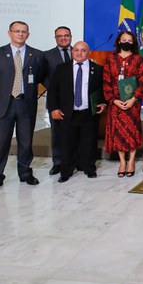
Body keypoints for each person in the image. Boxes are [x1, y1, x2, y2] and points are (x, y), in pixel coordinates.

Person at [0, 21, 47, 193]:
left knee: (26, 142)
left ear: (28, 35)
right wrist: (4, 92)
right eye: (17, 31)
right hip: (5, 104)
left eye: (23, 32)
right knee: (1, 142)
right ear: (9, 33)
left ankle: (25, 173)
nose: (20, 34)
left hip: (26, 104)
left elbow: (41, 76)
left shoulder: (37, 55)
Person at [46, 41, 106, 182]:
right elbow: (53, 90)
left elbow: (102, 90)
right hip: (67, 113)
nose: (79, 53)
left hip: (88, 112)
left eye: (83, 50)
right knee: (67, 143)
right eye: (76, 50)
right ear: (72, 52)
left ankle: (89, 167)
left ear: (88, 52)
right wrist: (53, 108)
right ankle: (66, 171)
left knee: (89, 142)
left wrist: (103, 102)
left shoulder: (97, 69)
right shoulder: (62, 68)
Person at [103, 30, 143, 178]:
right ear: (118, 41)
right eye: (124, 39)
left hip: (132, 104)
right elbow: (106, 82)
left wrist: (133, 99)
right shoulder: (111, 59)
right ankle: (122, 162)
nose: (126, 42)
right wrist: (114, 100)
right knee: (119, 135)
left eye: (129, 40)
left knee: (131, 133)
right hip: (116, 104)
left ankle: (132, 161)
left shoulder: (138, 59)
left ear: (133, 42)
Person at [43, 26, 73, 176]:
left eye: (66, 35)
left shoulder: (79, 52)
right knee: (57, 134)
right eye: (60, 36)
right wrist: (56, 89)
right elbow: (43, 77)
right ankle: (58, 163)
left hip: (78, 101)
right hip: (57, 101)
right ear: (55, 38)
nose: (63, 38)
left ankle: (76, 160)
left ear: (71, 37)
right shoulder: (47, 55)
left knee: (76, 132)